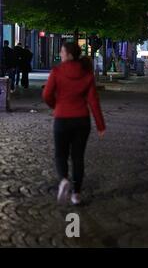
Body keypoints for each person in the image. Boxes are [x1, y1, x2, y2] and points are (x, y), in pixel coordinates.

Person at [43, 42, 106, 205]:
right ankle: (76, 194)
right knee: (78, 157)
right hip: (81, 120)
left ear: (69, 54)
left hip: (62, 118)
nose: (61, 54)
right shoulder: (87, 74)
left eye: (62, 51)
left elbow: (47, 94)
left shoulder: (57, 72)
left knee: (60, 154)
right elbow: (93, 101)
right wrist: (100, 125)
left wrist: (55, 106)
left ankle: (64, 179)